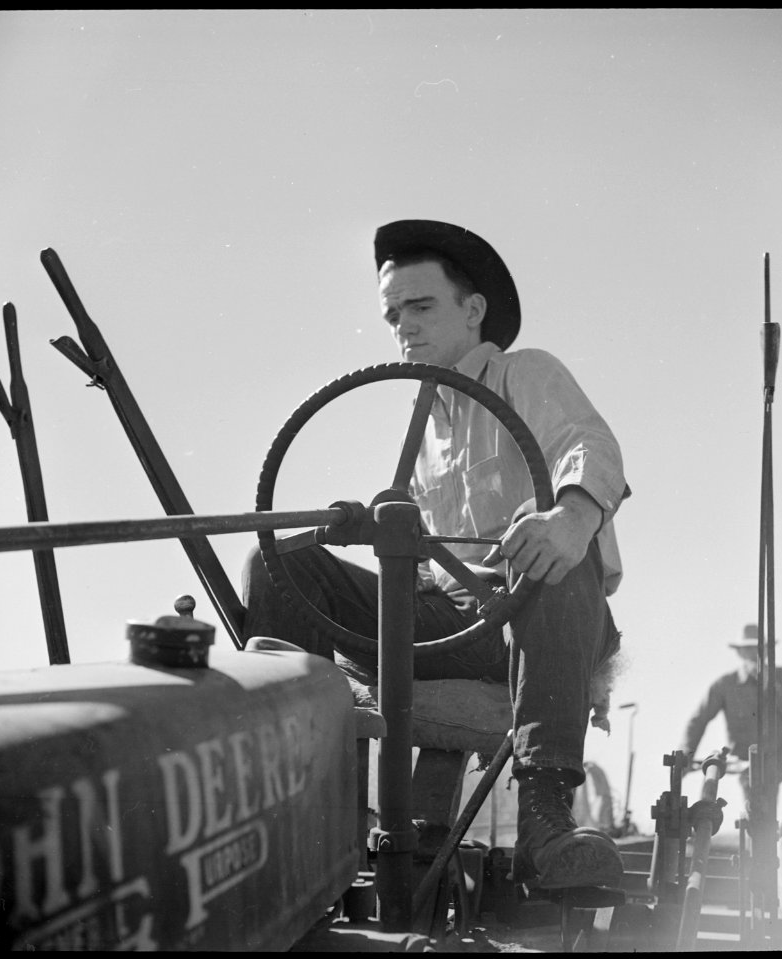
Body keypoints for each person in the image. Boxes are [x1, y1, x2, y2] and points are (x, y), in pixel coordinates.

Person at [242, 219, 631, 890]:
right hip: (455, 622)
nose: (402, 327)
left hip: (540, 619)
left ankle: (544, 815)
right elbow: (425, 569)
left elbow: (588, 446)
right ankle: (304, 808)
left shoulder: (523, 373)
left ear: (472, 309)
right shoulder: (424, 424)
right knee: (282, 562)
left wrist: (571, 516)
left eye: (420, 307)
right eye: (393, 314)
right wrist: (379, 537)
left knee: (543, 547)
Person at [681, 623, 782, 802]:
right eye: (749, 650)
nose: (755, 655)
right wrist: (685, 756)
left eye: (759, 649)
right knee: (761, 822)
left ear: (767, 651)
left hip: (781, 756)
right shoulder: (724, 685)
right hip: (749, 765)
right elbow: (698, 720)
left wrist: (773, 686)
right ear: (739, 653)